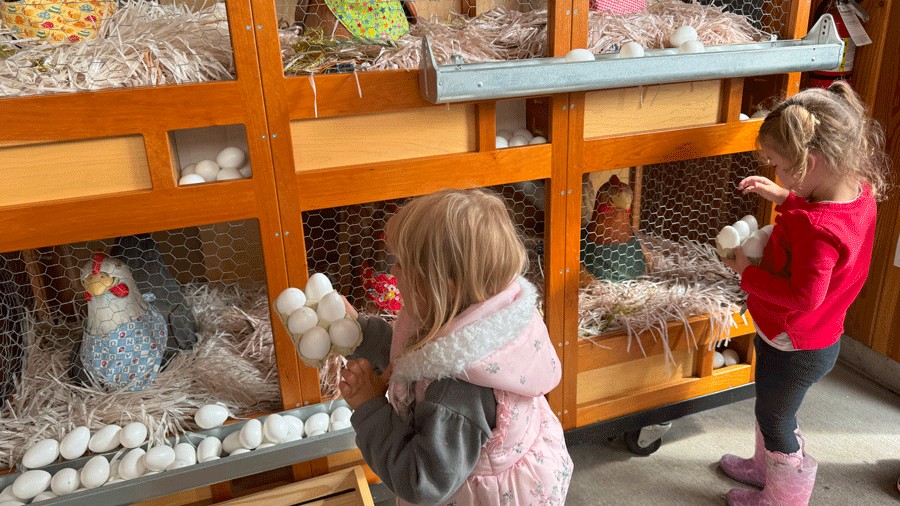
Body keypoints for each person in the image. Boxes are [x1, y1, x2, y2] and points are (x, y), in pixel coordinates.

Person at [339, 188, 573, 505]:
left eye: (402, 264)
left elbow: (422, 482)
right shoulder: (477, 311)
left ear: (443, 289)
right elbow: (412, 355)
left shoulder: (457, 392)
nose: (393, 272)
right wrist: (359, 333)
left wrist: (370, 409)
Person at [719, 81, 891, 506]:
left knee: (776, 418)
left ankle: (783, 498)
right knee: (771, 405)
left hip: (796, 340)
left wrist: (747, 272)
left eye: (779, 166)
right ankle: (765, 469)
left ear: (810, 162)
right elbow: (821, 216)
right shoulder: (857, 194)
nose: (777, 174)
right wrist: (784, 195)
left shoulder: (817, 231)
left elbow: (805, 295)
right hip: (807, 335)